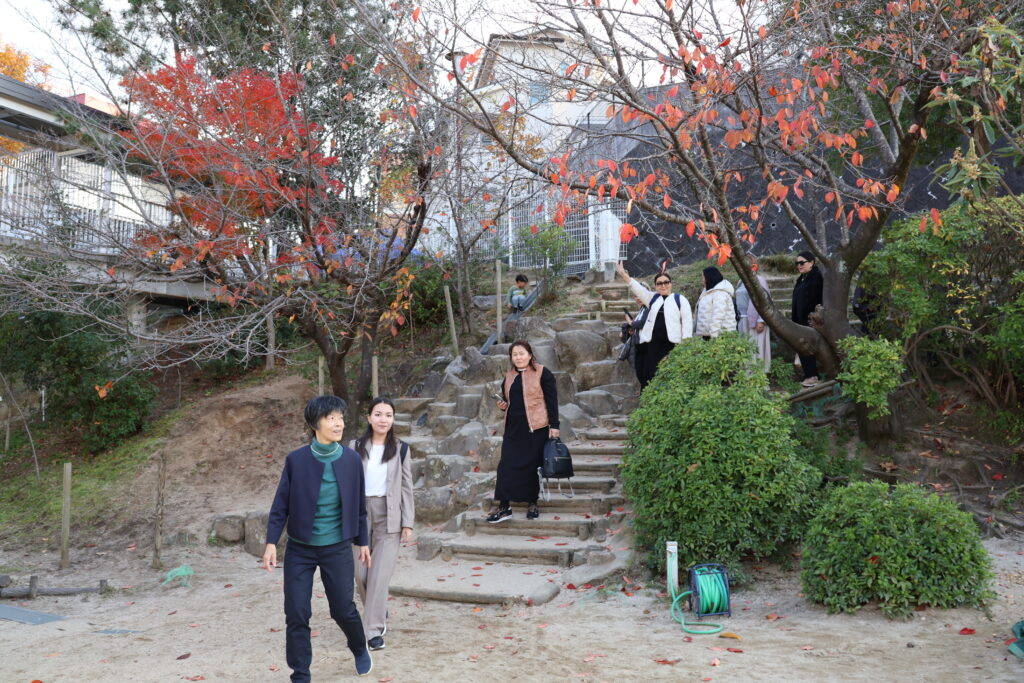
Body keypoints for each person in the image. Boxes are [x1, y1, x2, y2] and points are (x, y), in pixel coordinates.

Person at [263, 395, 374, 680]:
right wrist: (271, 542)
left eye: (340, 418)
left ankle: (359, 647)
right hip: (300, 550)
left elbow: (359, 505)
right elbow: (281, 504)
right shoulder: (296, 460)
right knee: (296, 612)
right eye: (331, 418)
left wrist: (362, 541)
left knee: (342, 609)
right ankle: (300, 674)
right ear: (315, 424)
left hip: (336, 547)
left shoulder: (351, 460)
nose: (338, 424)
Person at [351, 397, 414, 652]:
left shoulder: (401, 449)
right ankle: (378, 609)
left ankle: (373, 630)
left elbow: (407, 487)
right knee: (361, 574)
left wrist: (408, 522)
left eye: (388, 415)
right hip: (359, 514)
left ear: (393, 419)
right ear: (369, 417)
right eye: (378, 414)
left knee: (379, 575)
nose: (383, 419)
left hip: (389, 515)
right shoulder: (355, 446)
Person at [487, 340, 560, 523]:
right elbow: (508, 400)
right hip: (513, 428)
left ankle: (532, 503)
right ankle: (504, 506)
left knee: (532, 467)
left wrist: (555, 426)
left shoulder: (542, 373)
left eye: (521, 353)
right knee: (506, 466)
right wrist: (503, 405)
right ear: (511, 357)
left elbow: (552, 401)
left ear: (529, 355)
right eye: (515, 354)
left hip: (536, 428)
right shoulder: (509, 376)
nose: (518, 357)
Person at [615, 261, 693, 389]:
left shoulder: (680, 300)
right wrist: (624, 275)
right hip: (653, 346)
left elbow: (687, 324)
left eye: (666, 282)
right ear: (655, 286)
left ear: (671, 284)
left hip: (672, 345)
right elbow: (638, 289)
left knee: (670, 376)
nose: (663, 285)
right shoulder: (653, 299)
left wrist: (686, 345)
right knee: (651, 376)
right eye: (659, 283)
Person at [791, 250, 824, 387]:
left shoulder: (816, 277)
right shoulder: (802, 278)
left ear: (812, 262)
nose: (799, 265)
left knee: (807, 348)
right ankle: (809, 375)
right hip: (801, 320)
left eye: (802, 263)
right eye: (797, 263)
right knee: (803, 347)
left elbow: (817, 299)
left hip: (810, 320)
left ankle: (812, 376)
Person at [736, 273, 772, 371]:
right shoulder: (740, 281)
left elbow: (764, 299)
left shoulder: (759, 279)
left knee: (756, 347)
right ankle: (746, 373)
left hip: (756, 320)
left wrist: (761, 320)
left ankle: (758, 374)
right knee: (745, 348)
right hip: (743, 319)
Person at [693, 266, 736, 339]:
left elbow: (718, 316)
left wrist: (714, 336)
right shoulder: (707, 291)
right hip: (707, 335)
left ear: (709, 278)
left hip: (719, 336)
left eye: (703, 277)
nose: (702, 280)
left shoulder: (720, 293)